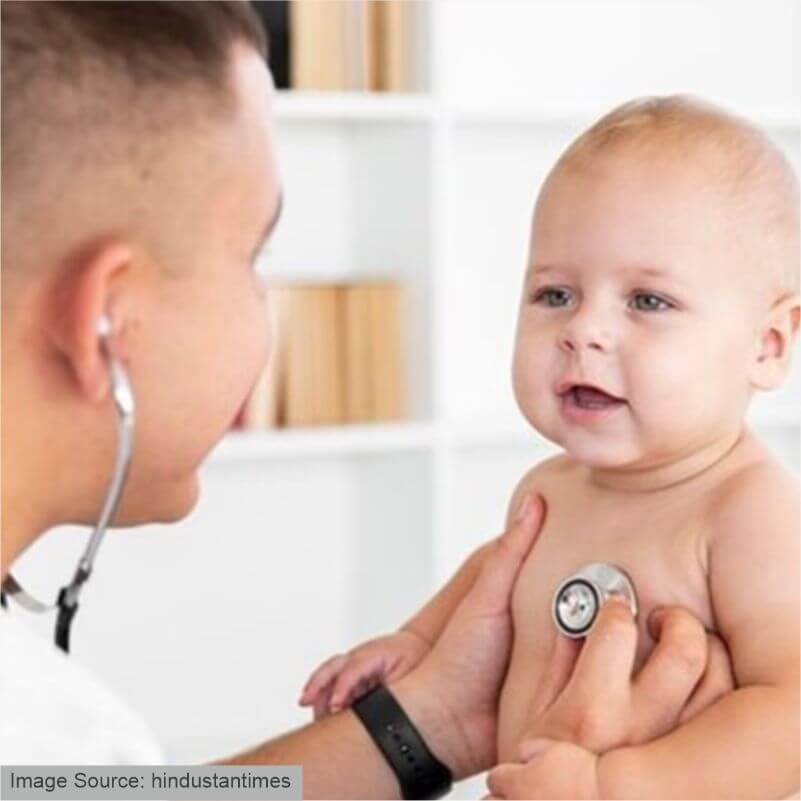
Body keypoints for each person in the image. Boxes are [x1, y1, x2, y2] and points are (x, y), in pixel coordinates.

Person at [0, 3, 735, 797]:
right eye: (254, 255)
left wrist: (415, 728)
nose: (585, 330)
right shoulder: (55, 727)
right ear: (107, 316)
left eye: (647, 302)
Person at [302, 96, 801, 797]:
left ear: (767, 344)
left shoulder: (745, 508)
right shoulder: (552, 485)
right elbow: (496, 577)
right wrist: (416, 644)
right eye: (555, 294)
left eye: (647, 301)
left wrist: (615, 785)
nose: (583, 330)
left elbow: (791, 713)